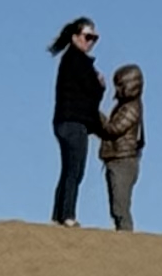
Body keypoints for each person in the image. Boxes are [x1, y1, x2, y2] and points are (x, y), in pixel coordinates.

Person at [48, 17, 105, 225]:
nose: (90, 42)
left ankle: (59, 215)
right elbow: (92, 92)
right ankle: (67, 216)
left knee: (68, 169)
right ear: (75, 37)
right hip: (74, 123)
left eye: (94, 38)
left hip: (64, 122)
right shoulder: (78, 61)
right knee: (75, 170)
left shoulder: (70, 60)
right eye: (87, 37)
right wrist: (100, 84)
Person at [97, 61, 146, 230]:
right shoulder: (125, 106)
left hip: (123, 162)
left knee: (120, 207)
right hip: (117, 160)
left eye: (120, 85)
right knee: (117, 206)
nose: (116, 89)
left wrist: (95, 114)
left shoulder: (131, 108)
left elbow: (113, 129)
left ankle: (125, 238)